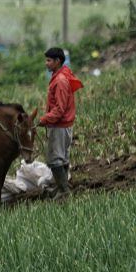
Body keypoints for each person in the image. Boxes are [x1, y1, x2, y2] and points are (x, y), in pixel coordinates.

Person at [37, 46, 83, 198]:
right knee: (62, 157)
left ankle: (64, 191)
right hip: (63, 125)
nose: (46, 63)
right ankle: (62, 187)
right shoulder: (61, 76)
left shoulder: (60, 81)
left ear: (57, 61)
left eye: (49, 60)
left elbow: (59, 109)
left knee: (55, 160)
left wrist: (43, 120)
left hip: (59, 126)